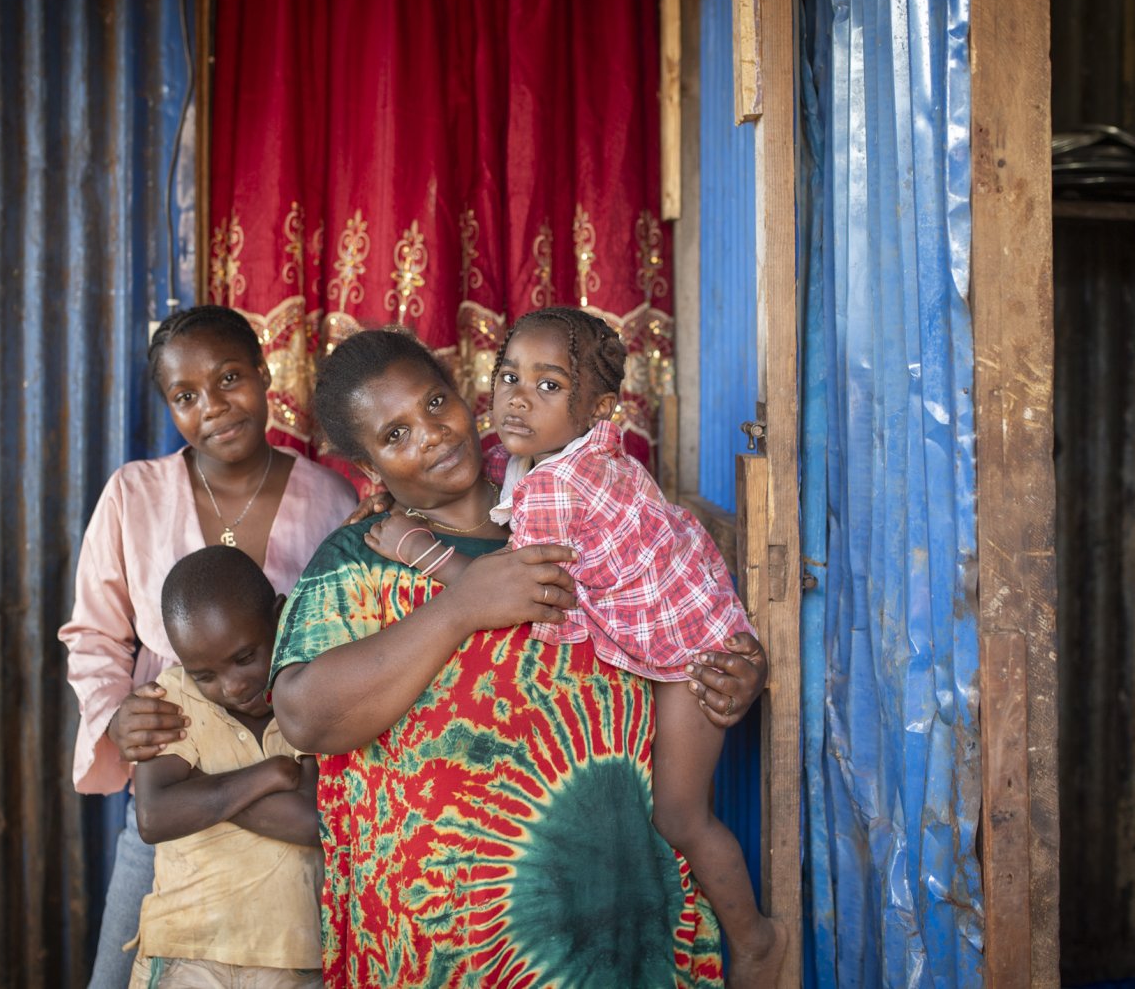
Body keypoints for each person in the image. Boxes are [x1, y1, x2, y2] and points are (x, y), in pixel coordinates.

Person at [269, 328, 770, 988]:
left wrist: (736, 672)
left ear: (461, 393)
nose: (432, 433)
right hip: (444, 954)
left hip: (618, 927)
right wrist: (460, 606)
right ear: (367, 466)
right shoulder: (363, 555)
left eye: (434, 404)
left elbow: (673, 611)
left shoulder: (584, 509)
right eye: (394, 436)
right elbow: (305, 717)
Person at [58, 306, 359, 989]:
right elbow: (93, 633)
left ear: (264, 373)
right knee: (124, 973)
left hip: (296, 792)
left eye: (229, 379)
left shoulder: (331, 499)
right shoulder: (133, 494)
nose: (213, 408)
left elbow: (353, 635)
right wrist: (112, 712)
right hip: (173, 786)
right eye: (185, 397)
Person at [127, 546, 325, 989]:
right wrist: (270, 774)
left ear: (278, 616)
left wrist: (196, 790)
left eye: (244, 658)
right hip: (185, 952)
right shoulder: (171, 698)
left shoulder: (311, 691)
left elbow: (314, 822)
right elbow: (155, 817)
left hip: (292, 958)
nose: (233, 686)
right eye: (206, 676)